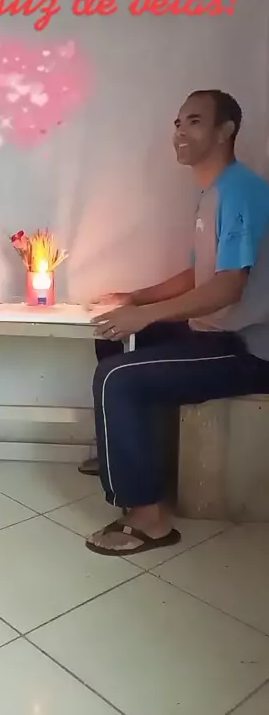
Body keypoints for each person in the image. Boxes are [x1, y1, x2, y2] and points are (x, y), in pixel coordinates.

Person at [83, 89, 269, 557]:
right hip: (216, 331)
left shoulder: (241, 191)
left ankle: (150, 521)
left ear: (226, 130)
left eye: (195, 121)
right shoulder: (214, 193)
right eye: (178, 123)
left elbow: (227, 287)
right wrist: (134, 299)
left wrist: (143, 313)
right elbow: (199, 274)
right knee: (116, 337)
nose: (181, 131)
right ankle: (128, 453)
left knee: (117, 378)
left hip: (249, 348)